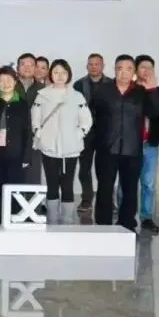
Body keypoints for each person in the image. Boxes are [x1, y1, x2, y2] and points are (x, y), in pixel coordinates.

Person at [91, 54, 159, 232]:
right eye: (120, 69)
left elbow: (154, 113)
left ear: (134, 72)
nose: (124, 73)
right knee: (105, 188)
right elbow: (93, 116)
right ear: (114, 70)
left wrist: (152, 91)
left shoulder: (141, 92)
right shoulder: (103, 90)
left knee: (130, 189)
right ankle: (103, 224)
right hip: (107, 149)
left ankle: (127, 224)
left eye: (129, 69)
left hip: (132, 149)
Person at [31, 59, 91, 224]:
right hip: (48, 147)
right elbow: (35, 119)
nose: (59, 76)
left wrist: (78, 135)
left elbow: (86, 120)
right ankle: (52, 218)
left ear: (68, 75)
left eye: (63, 72)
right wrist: (40, 133)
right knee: (51, 184)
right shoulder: (42, 95)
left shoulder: (77, 96)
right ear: (51, 74)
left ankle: (67, 219)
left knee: (67, 184)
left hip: (70, 149)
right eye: (56, 72)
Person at [0, 67, 31, 212]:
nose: (5, 83)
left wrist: (27, 156)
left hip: (15, 153)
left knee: (14, 188)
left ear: (15, 81)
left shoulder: (23, 104)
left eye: (9, 80)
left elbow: (27, 131)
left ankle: (14, 217)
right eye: (2, 80)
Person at [134, 55, 159, 232]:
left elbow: (157, 113)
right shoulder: (129, 89)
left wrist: (151, 91)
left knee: (149, 183)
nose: (146, 71)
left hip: (150, 143)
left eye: (150, 68)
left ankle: (146, 217)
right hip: (131, 144)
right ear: (136, 69)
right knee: (126, 183)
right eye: (142, 67)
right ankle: (125, 215)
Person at [73, 53, 108, 211]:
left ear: (103, 66)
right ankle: (86, 199)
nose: (94, 67)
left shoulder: (111, 84)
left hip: (105, 133)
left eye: (97, 64)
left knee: (105, 169)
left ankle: (106, 200)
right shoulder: (79, 85)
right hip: (85, 133)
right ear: (87, 66)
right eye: (91, 64)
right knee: (84, 169)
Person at [15, 53, 44, 185]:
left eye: (31, 65)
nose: (27, 67)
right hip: (13, 139)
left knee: (33, 178)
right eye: (23, 64)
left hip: (35, 139)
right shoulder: (10, 87)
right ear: (17, 68)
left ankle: (33, 200)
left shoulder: (43, 90)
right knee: (13, 179)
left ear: (35, 68)